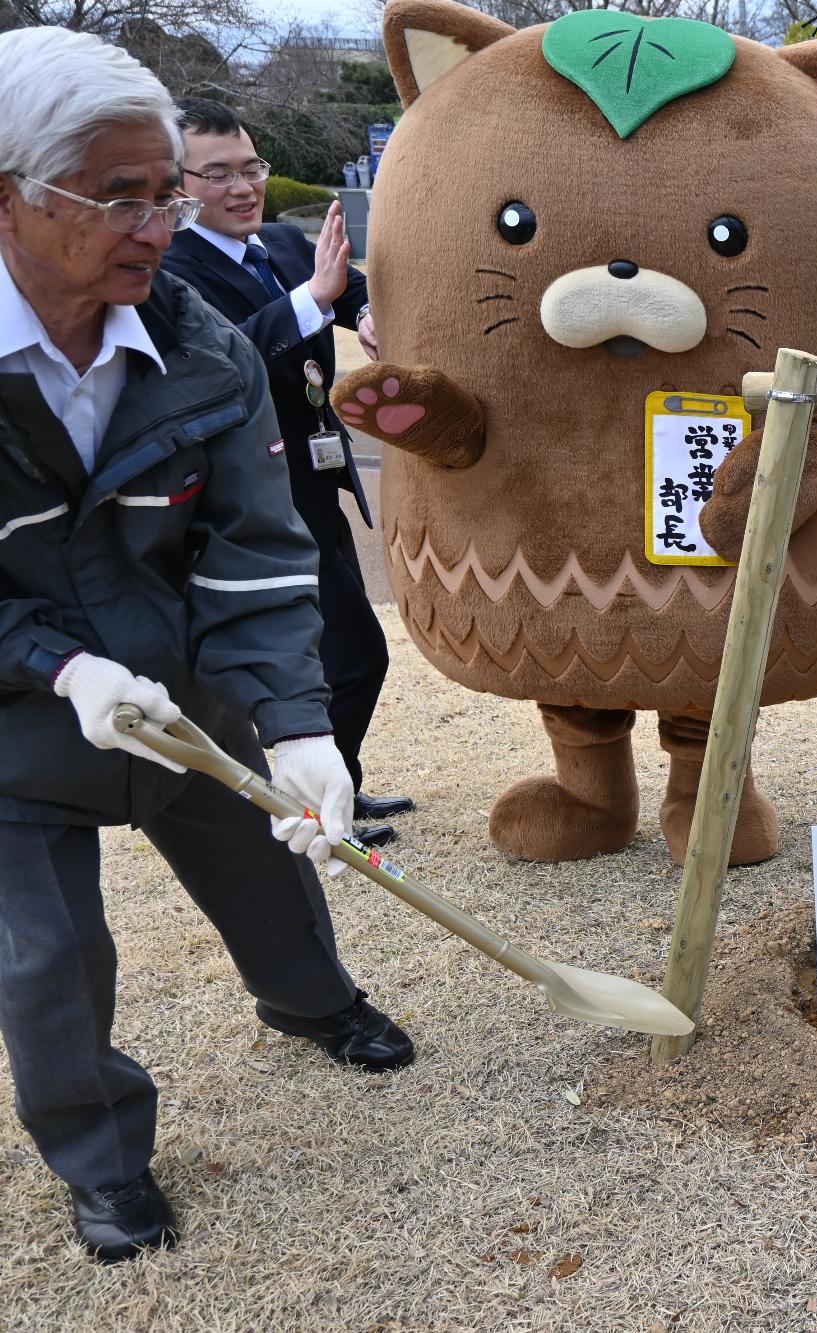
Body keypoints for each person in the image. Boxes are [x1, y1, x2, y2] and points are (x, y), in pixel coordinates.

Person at [0, 28, 417, 1264]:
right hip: (22, 716)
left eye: (166, 191)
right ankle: (102, 1158)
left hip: (182, 688)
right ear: (9, 195)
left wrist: (294, 722)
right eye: (118, 196)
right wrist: (60, 669)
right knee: (49, 959)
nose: (158, 224)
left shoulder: (199, 345)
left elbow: (256, 544)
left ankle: (312, 1001)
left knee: (268, 859)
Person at [161, 97, 410, 847]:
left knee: (347, 655)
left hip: (313, 483)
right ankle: (309, 806)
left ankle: (342, 787)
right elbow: (223, 358)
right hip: (247, 502)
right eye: (219, 175)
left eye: (252, 168)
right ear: (176, 186)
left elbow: (345, 285)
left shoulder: (277, 240)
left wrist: (359, 311)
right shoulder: (171, 271)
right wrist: (314, 299)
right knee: (351, 653)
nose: (244, 188)